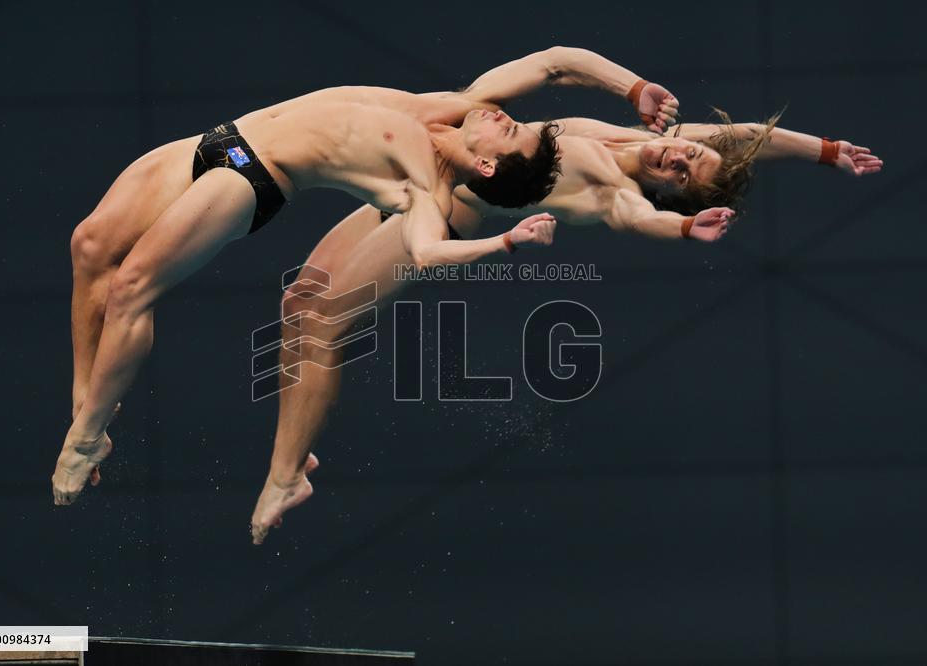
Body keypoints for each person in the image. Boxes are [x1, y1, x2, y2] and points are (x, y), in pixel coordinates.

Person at [54, 46, 684, 508]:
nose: (501, 115)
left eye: (509, 130)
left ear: (489, 165)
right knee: (90, 246)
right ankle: (89, 403)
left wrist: (503, 240)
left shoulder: (426, 188)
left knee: (133, 286)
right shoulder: (459, 107)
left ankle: (84, 440)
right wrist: (633, 88)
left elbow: (428, 252)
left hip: (251, 178)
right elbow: (554, 64)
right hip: (224, 138)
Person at [252, 112, 882, 544]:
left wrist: (687, 227)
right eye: (687, 153)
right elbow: (742, 134)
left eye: (679, 176)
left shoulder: (613, 188)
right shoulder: (635, 138)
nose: (675, 158)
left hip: (441, 218)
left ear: (666, 190)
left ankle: (286, 478)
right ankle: (295, 453)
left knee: (324, 324)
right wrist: (827, 151)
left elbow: (638, 219)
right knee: (299, 301)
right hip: (425, 185)